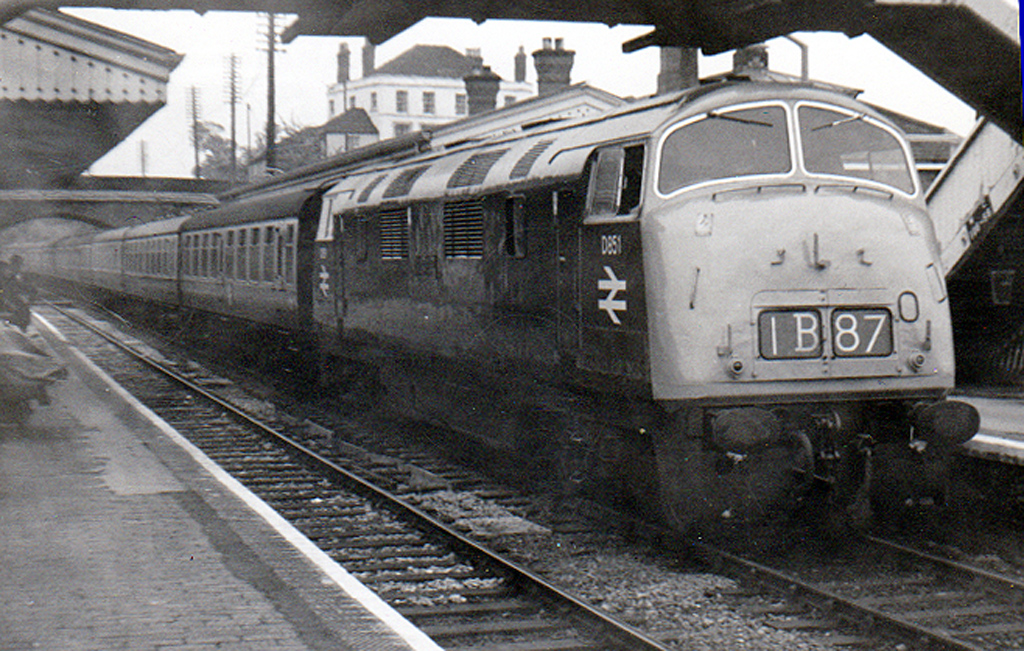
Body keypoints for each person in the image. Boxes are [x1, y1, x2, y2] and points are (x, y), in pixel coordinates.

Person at [2, 256, 35, 330]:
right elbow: (4, 289)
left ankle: (22, 327)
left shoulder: (17, 276)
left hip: (12, 299)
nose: (19, 267)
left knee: (23, 309)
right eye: (17, 264)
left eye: (19, 265)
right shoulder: (8, 275)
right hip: (5, 299)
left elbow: (22, 288)